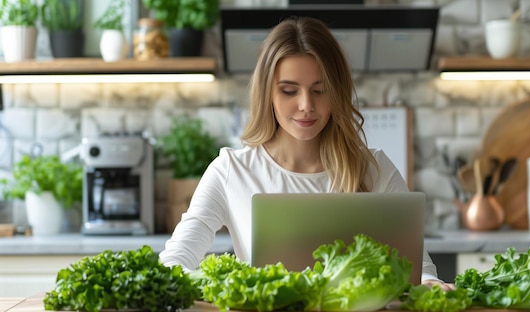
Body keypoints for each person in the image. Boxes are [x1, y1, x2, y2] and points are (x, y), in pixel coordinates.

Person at [159, 16, 454, 291]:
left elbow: (419, 271)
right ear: (267, 94)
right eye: (289, 91)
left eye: (320, 89)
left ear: (337, 92)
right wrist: (228, 289)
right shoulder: (231, 171)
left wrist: (431, 284)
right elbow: (173, 264)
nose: (306, 105)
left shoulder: (374, 168)